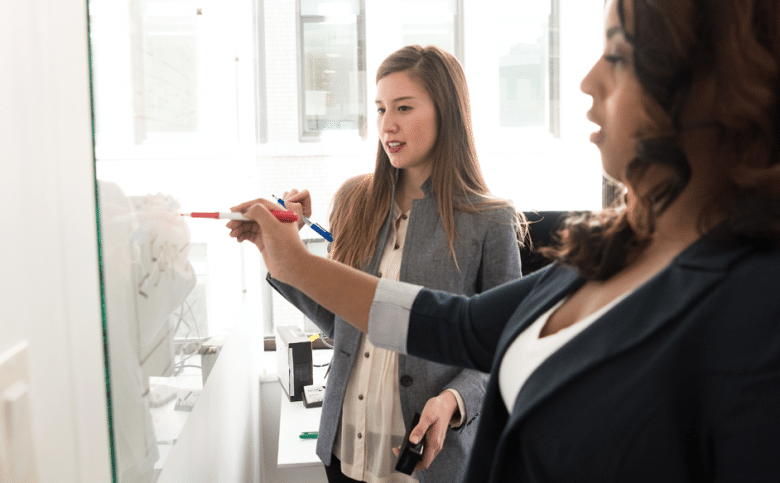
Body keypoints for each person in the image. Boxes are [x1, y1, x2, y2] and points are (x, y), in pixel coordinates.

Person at [229, 0, 780, 480]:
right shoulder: (607, 253)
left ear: (717, 85)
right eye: (380, 109)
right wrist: (292, 262)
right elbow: (456, 325)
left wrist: (451, 401)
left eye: (618, 53)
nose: (588, 81)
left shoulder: (756, 309)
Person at [232, 45, 523, 483]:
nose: (387, 124)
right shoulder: (355, 200)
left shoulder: (490, 220)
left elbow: (505, 349)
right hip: (344, 447)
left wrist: (452, 401)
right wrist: (279, 255)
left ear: (447, 113)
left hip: (427, 461)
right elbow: (340, 323)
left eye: (404, 107)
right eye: (381, 108)